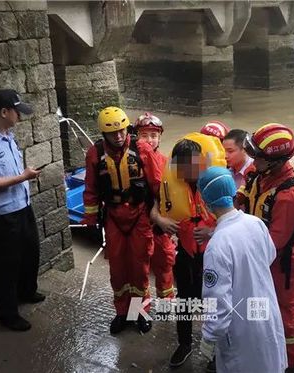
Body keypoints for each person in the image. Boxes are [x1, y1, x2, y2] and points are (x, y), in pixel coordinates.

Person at [198, 167, 287, 373]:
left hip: (241, 330)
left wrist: (209, 337)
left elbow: (218, 303)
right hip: (265, 315)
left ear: (205, 202)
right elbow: (269, 256)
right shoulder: (255, 223)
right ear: (232, 192)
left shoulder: (218, 244)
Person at [81, 106, 162, 334]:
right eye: (112, 133)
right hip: (114, 217)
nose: (118, 136)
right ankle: (122, 312)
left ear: (127, 129)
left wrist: (160, 215)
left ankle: (141, 312)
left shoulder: (143, 149)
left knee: (139, 267)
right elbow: (91, 189)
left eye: (121, 131)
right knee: (117, 268)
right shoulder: (95, 154)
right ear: (103, 134)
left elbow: (156, 184)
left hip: (140, 216)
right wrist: (90, 219)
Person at [236, 123, 294, 373]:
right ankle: (261, 352)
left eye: (256, 156)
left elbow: (274, 243)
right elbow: (243, 198)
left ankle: (291, 364)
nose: (252, 160)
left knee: (285, 313)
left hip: (280, 266)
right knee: (258, 307)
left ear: (275, 162)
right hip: (258, 257)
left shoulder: (290, 196)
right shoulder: (259, 175)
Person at [0, 89, 45, 332]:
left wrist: (24, 176)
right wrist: (22, 176)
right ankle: (8, 314)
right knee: (6, 265)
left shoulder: (9, 136)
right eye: (17, 112)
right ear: (4, 112)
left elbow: (12, 173)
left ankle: (26, 292)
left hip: (23, 205)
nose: (19, 117)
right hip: (3, 214)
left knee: (29, 252)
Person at [150, 134, 224, 368]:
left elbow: (236, 218)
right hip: (186, 253)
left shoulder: (218, 182)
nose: (186, 171)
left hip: (214, 256)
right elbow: (153, 205)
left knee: (216, 303)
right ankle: (184, 344)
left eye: (191, 165)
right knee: (184, 301)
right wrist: (161, 220)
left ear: (201, 162)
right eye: (181, 165)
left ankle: (215, 351)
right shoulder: (170, 180)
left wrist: (212, 231)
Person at [133, 112, 176, 300]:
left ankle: (166, 304)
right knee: (137, 269)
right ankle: (139, 310)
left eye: (154, 135)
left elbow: (173, 197)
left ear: (159, 138)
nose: (149, 140)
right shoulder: (129, 162)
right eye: (144, 135)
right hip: (136, 224)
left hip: (159, 226)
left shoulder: (167, 163)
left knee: (165, 264)